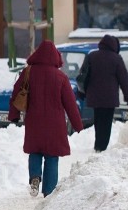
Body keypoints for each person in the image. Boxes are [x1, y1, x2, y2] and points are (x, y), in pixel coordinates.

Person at [8, 40, 84, 197]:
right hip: (54, 125)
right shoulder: (61, 77)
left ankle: (35, 177)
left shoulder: (28, 72)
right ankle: (49, 192)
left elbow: (16, 93)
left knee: (35, 151)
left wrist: (14, 115)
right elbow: (70, 104)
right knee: (52, 156)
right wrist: (78, 126)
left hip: (34, 122)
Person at [77, 34, 128, 152]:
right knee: (106, 122)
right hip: (110, 98)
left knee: (98, 120)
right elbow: (124, 79)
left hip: (94, 96)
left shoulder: (91, 56)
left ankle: (98, 144)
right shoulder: (116, 58)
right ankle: (102, 146)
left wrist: (82, 92)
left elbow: (83, 75)